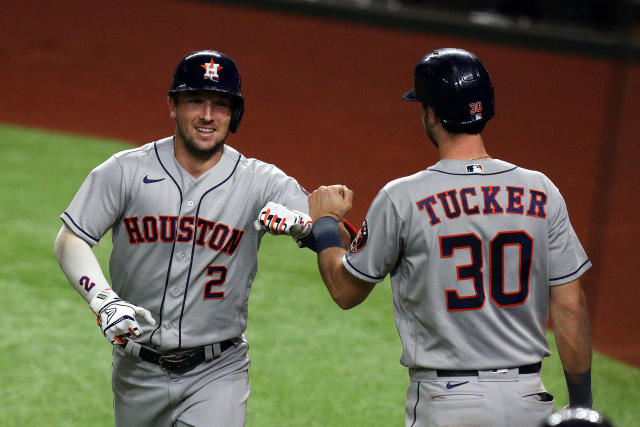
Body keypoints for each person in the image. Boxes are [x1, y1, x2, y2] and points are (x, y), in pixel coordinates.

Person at [307, 48, 593, 427]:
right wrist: (581, 407)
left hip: (449, 403)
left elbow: (345, 290)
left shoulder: (403, 196)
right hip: (530, 399)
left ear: (431, 113)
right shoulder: (541, 190)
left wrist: (326, 225)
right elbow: (571, 306)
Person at [54, 50, 317, 426]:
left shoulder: (262, 182)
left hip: (217, 372)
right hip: (136, 371)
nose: (208, 116)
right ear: (173, 105)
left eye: (220, 104)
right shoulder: (125, 171)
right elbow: (71, 239)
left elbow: (341, 243)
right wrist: (103, 300)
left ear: (234, 113)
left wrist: (307, 226)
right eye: (195, 101)